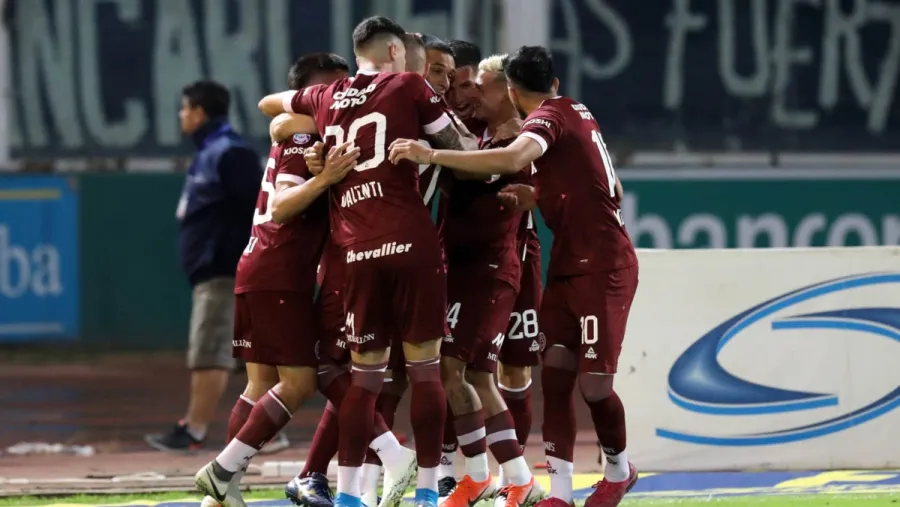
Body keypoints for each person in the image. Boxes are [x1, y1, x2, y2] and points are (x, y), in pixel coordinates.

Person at [388, 45, 640, 507]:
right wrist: (541, 194)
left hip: (603, 267)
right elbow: (613, 188)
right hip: (568, 263)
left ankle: (619, 471)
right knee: (555, 376)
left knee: (591, 385)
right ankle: (558, 494)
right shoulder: (576, 111)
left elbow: (509, 159)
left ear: (510, 91)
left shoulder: (545, 118)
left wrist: (430, 153)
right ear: (555, 82)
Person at [257, 16, 471, 507]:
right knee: (425, 371)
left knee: (364, 379)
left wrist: (301, 124)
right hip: (410, 244)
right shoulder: (410, 87)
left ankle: (349, 495)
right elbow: (457, 148)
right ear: (395, 52)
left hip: (355, 252)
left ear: (357, 55)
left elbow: (271, 107)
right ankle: (426, 492)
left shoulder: (326, 96)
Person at [192, 54, 361, 507]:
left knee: (258, 385)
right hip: (280, 270)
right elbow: (283, 205)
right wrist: (325, 178)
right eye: (332, 87)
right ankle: (222, 470)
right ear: (308, 92)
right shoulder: (304, 134)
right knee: (300, 382)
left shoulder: (306, 131)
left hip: (261, 264)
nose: (342, 95)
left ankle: (221, 494)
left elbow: (275, 116)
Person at [437, 54, 542, 507]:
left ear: (507, 91)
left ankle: (492, 476)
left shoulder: (521, 141)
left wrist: (428, 151)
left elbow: (468, 169)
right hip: (465, 268)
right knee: (477, 374)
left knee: (457, 368)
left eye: (481, 85)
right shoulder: (479, 132)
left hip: (492, 268)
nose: (473, 93)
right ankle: (508, 479)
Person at [146, 81, 265, 454]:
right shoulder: (211, 151)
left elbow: (258, 207)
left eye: (185, 109)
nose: (181, 116)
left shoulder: (230, 152)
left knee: (210, 352)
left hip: (223, 270)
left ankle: (194, 431)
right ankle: (265, 432)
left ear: (198, 112)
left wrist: (232, 254)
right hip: (214, 271)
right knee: (242, 357)